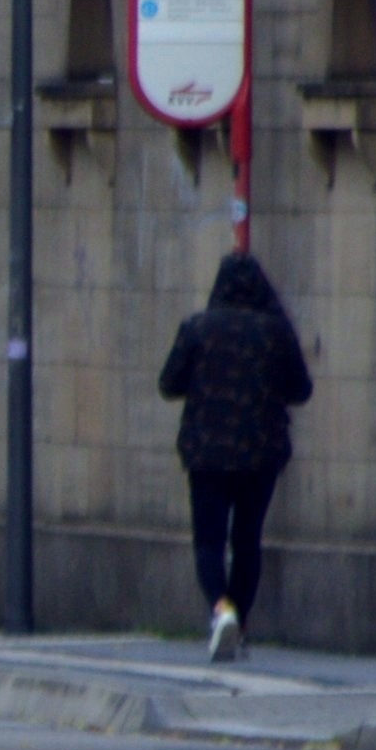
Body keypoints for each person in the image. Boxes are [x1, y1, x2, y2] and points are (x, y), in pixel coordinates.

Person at [155, 250, 313, 664]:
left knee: (209, 539)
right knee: (247, 540)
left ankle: (220, 607)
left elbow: (168, 383)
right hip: (261, 453)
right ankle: (239, 624)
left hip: (207, 453)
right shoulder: (276, 332)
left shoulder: (198, 328)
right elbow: (301, 389)